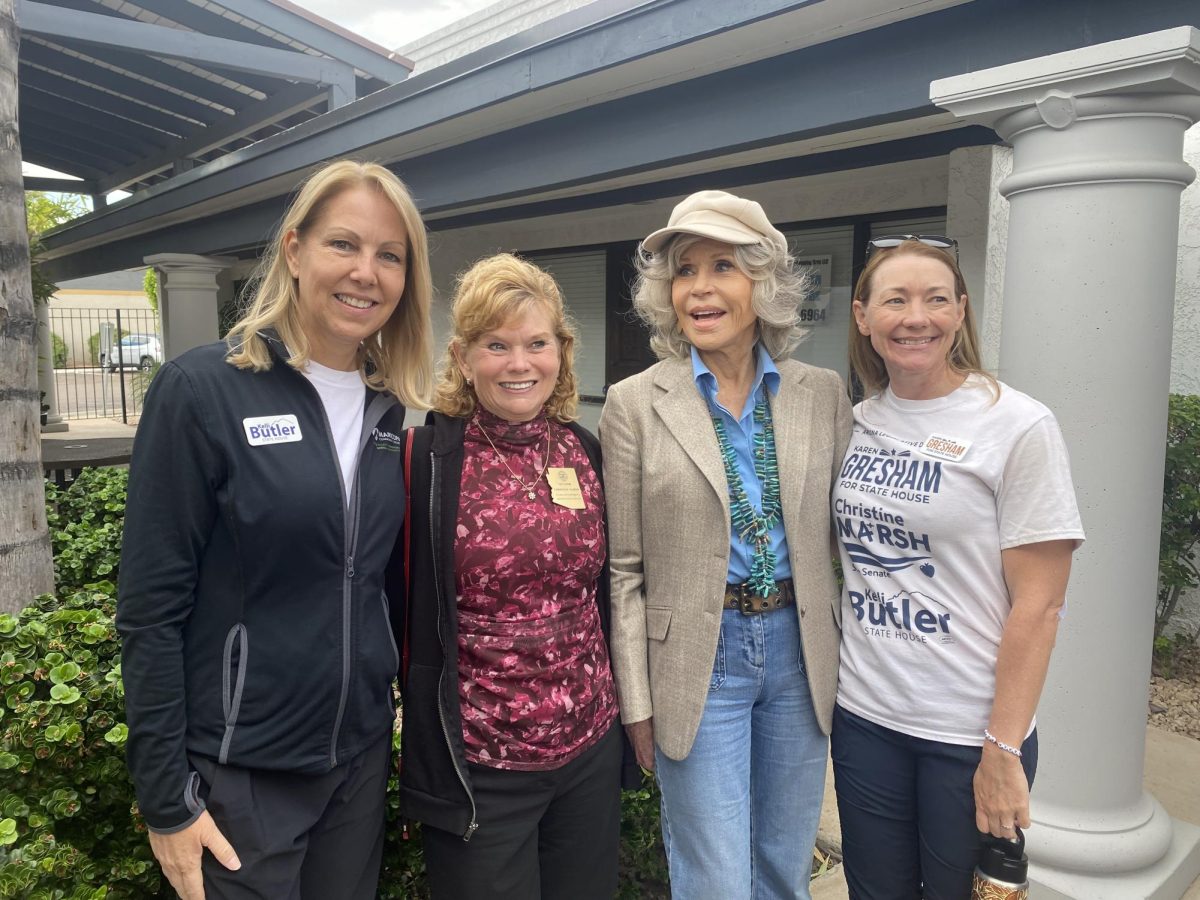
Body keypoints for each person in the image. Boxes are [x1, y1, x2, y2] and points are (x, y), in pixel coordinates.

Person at [116, 159, 433, 900]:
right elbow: (149, 608)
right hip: (239, 774)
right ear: (294, 251)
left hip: (352, 767)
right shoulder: (203, 389)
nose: (366, 272)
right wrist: (166, 798)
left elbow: (378, 585)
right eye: (344, 245)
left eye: (390, 255)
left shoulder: (390, 410)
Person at [599, 190, 852, 899]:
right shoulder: (635, 402)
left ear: (762, 285)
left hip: (799, 654)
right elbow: (623, 571)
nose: (700, 288)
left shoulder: (821, 394)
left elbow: (848, 534)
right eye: (684, 271)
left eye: (722, 267)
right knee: (714, 876)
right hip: (697, 663)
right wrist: (637, 700)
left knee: (783, 863)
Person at [831, 235, 1085, 898]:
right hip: (866, 718)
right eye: (896, 300)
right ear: (863, 317)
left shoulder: (1017, 424)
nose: (916, 317)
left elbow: (1041, 605)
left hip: (966, 731)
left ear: (960, 312)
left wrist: (1002, 750)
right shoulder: (855, 423)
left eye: (935, 299)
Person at [394, 253, 631, 900]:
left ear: (560, 350)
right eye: (497, 345)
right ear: (463, 357)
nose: (520, 363)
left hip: (588, 748)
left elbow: (612, 589)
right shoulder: (427, 462)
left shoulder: (583, 450)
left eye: (536, 343)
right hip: (480, 764)